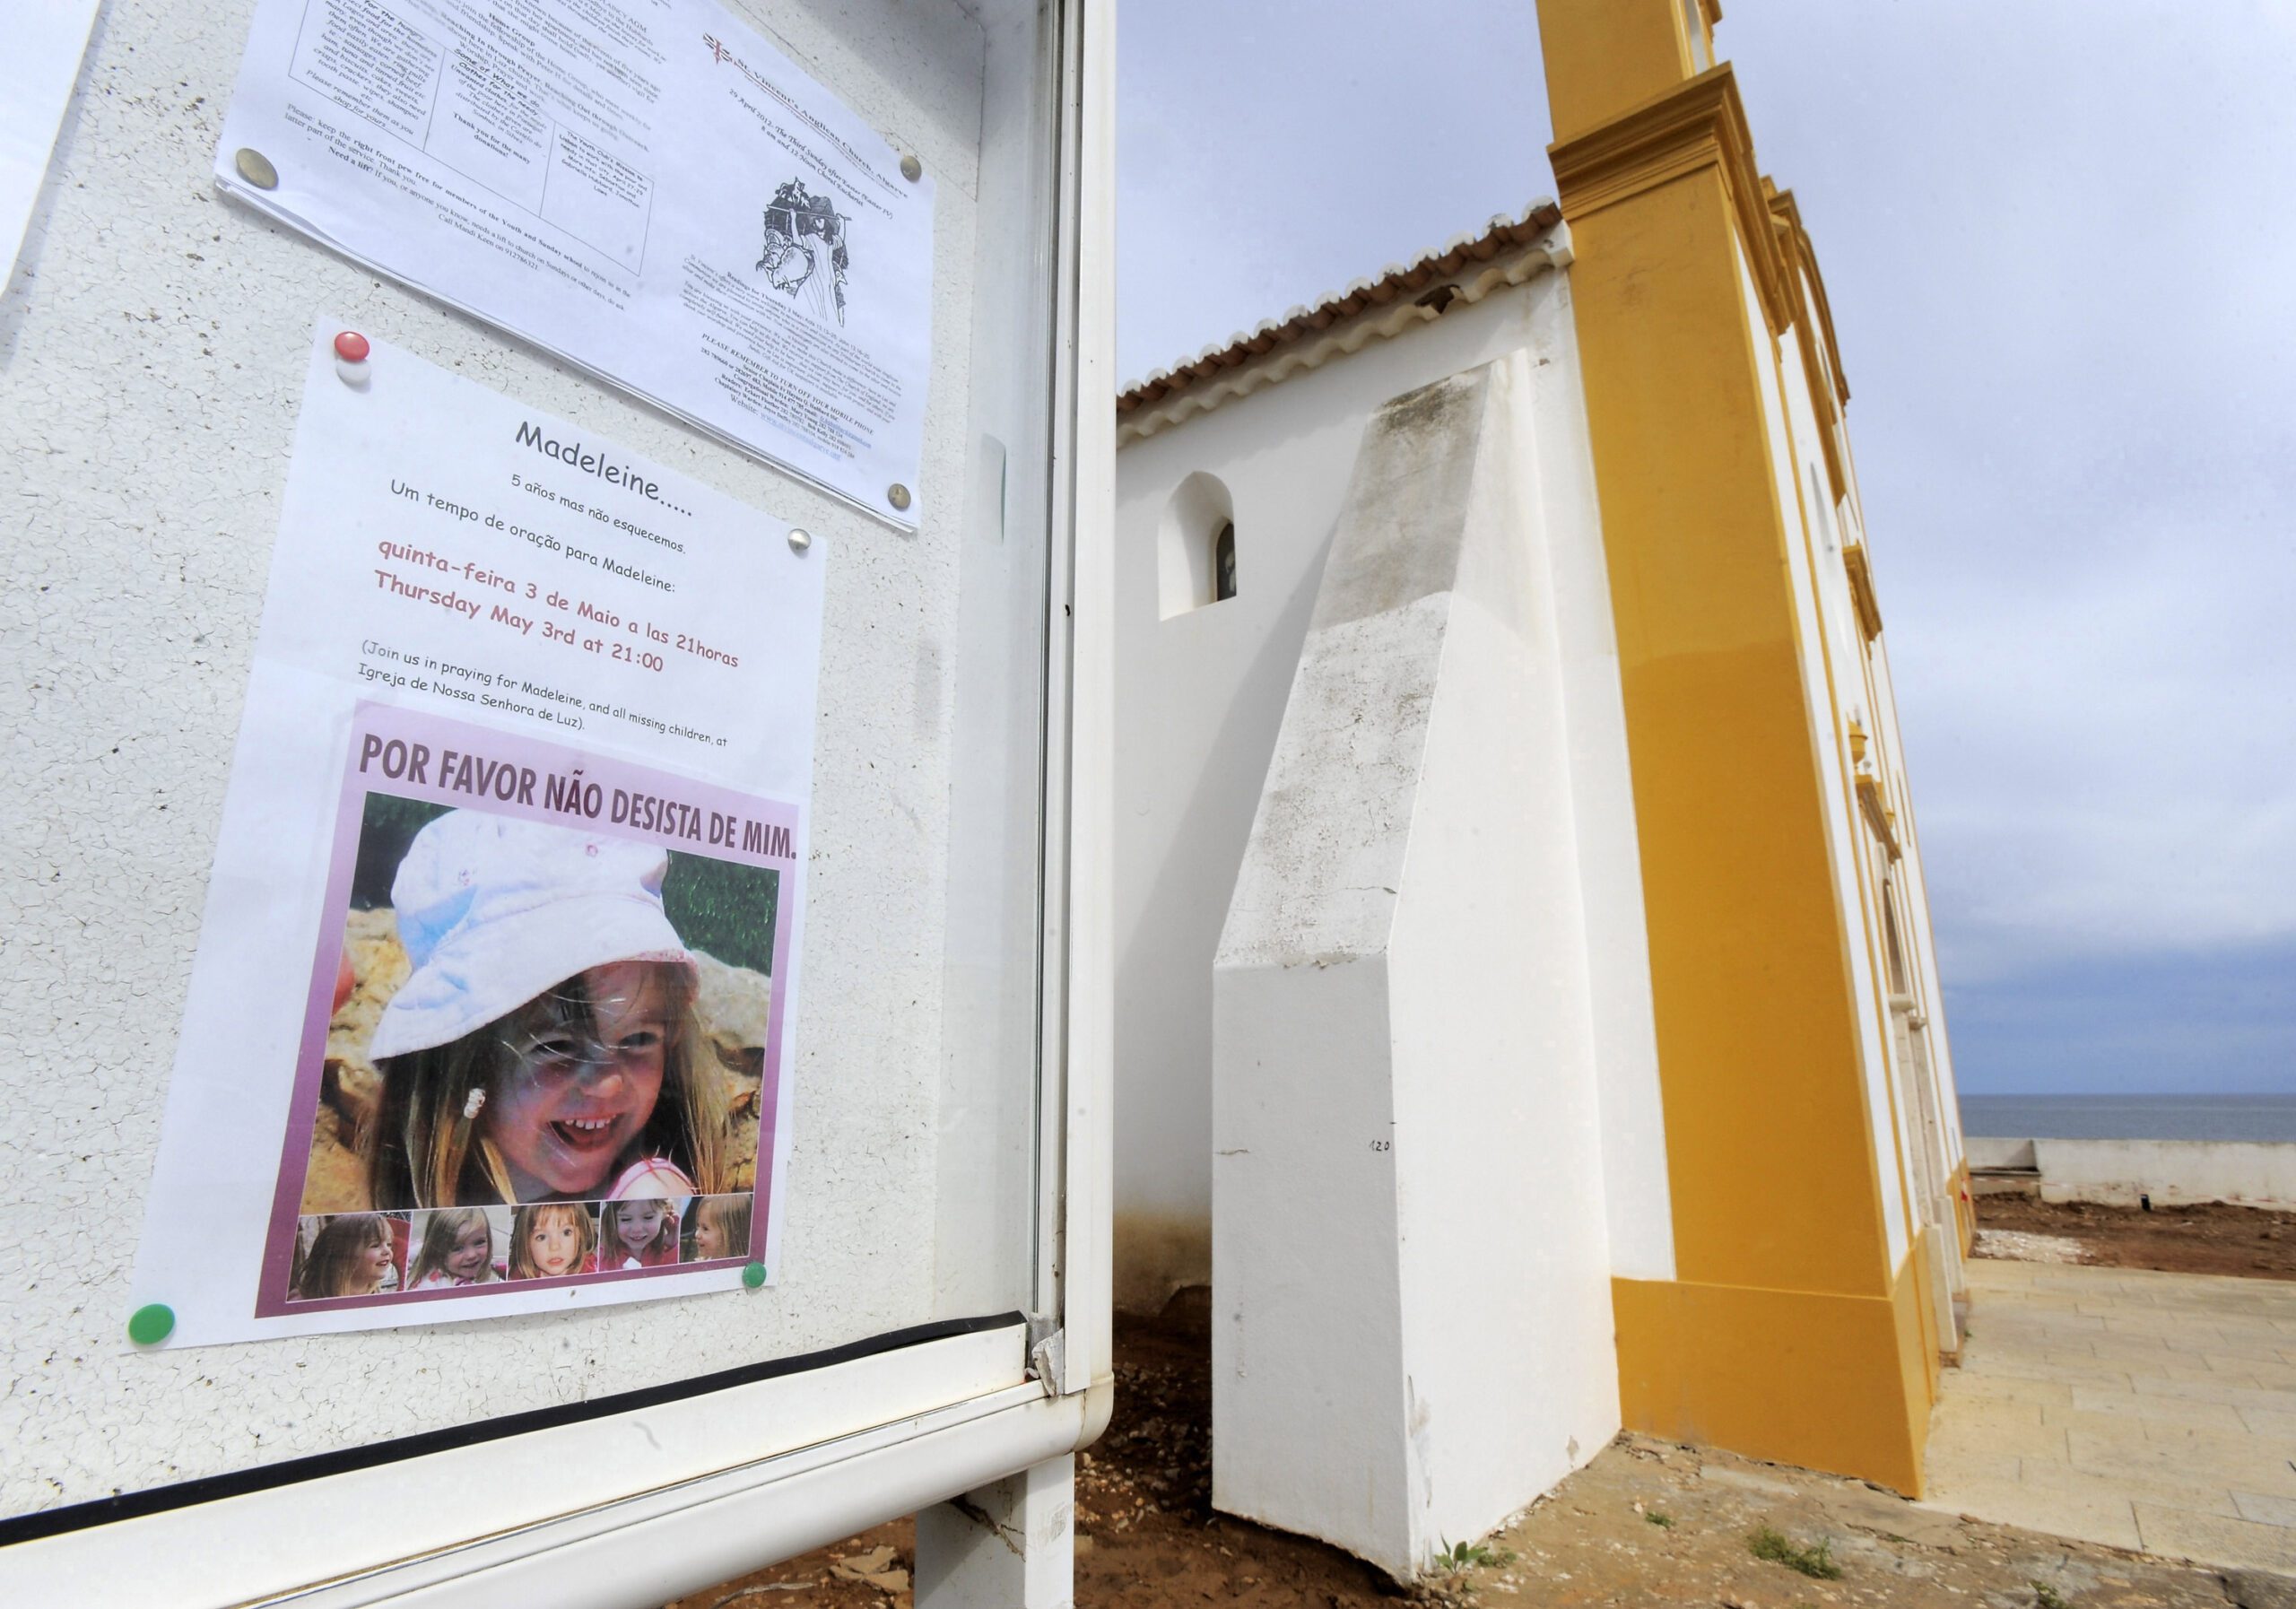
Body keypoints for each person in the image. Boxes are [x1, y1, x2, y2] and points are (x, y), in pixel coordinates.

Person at [361, 812, 732, 1209]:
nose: (607, 1085)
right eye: (556, 1046)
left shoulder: (647, 1202)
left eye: (639, 1039)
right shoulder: (446, 1206)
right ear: (462, 1064)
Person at [293, 1213, 396, 1300]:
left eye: (389, 1244)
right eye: (375, 1245)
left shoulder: (379, 1296)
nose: (387, 1251)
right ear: (343, 1256)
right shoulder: (303, 1301)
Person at [405, 1206, 502, 1288]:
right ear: (436, 1252)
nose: (471, 1255)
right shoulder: (442, 1289)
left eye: (479, 1242)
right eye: (457, 1248)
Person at [509, 1202, 595, 1280]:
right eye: (541, 1237)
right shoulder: (516, 1280)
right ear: (526, 1245)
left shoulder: (593, 1275)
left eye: (566, 1232)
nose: (554, 1247)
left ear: (582, 1235)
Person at [603, 1196, 679, 1270]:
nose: (637, 1229)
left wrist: (672, 1246)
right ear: (613, 1219)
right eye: (625, 1219)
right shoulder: (602, 1257)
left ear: (664, 1214)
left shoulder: (668, 1253)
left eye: (648, 1217)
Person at [683, 1193, 752, 1264]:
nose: (697, 1234)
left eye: (705, 1229)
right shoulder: (701, 1263)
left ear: (729, 1234)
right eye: (698, 1226)